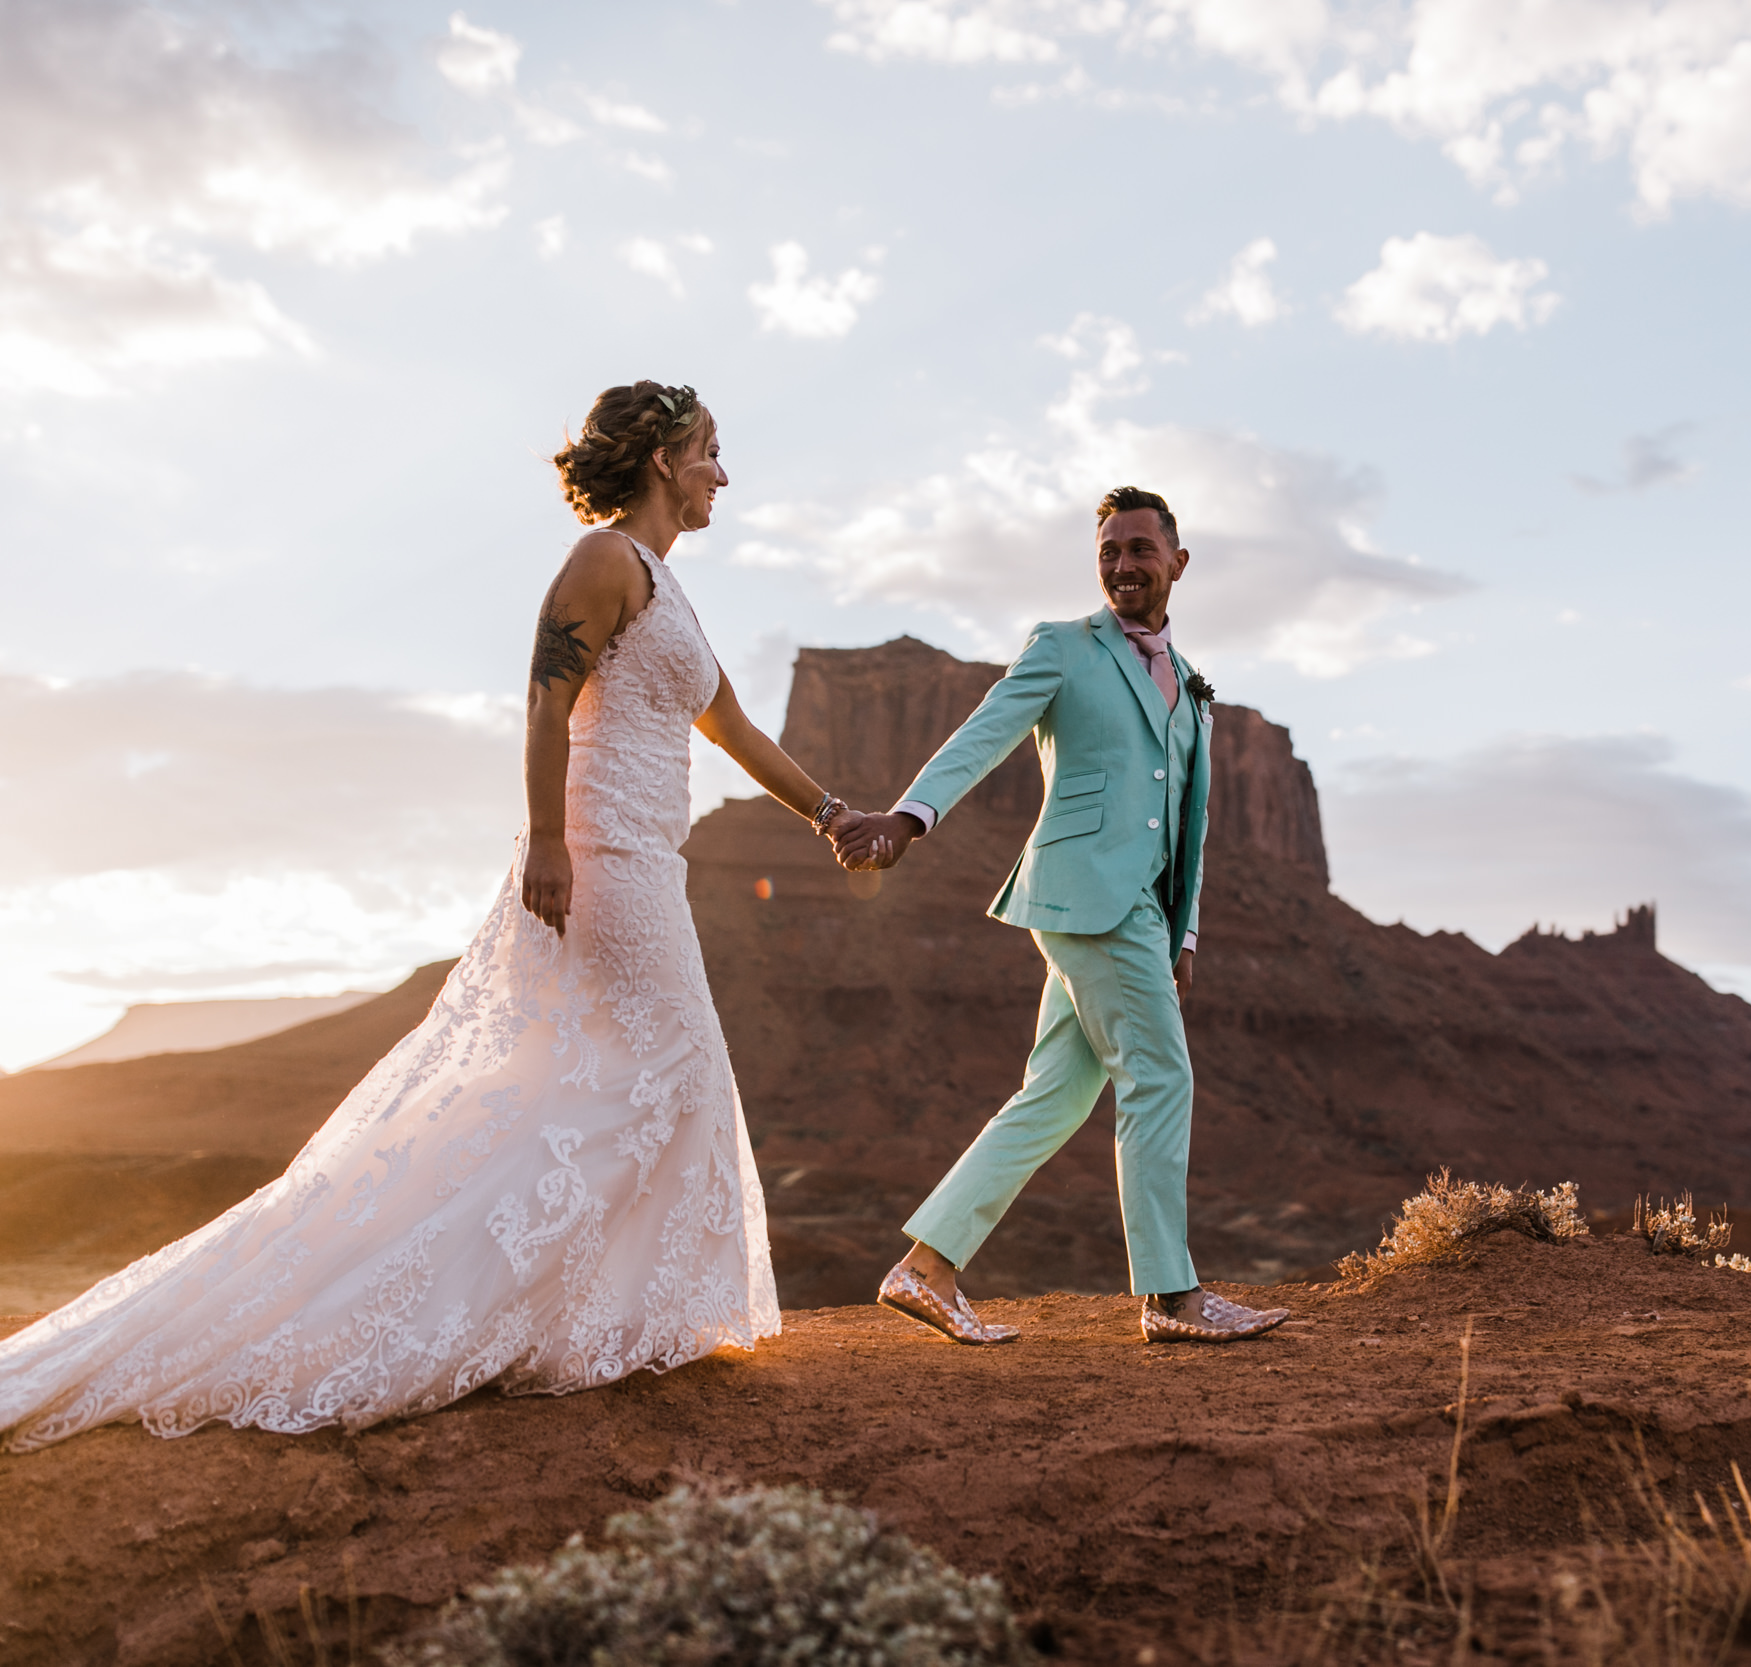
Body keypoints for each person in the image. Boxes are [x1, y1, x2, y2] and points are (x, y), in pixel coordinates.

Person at [0, 381, 852, 1451]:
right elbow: (547, 695)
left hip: (653, 862)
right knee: (662, 1072)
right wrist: (546, 837)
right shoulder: (603, 559)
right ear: (658, 460)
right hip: (602, 857)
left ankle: (600, 1313)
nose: (723, 473)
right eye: (710, 451)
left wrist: (830, 814)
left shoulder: (667, 587)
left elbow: (725, 721)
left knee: (634, 1080)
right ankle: (497, 1307)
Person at [834, 486, 1286, 1346]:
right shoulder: (1064, 648)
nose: (1122, 565)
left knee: (1055, 1094)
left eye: (1139, 550)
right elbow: (984, 732)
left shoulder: (1191, 688)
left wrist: (1184, 932)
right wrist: (908, 818)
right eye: (1109, 550)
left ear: (1177, 564)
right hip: (1085, 896)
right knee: (1160, 1076)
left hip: (1141, 914)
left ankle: (926, 1267)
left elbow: (1190, 823)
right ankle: (1171, 1297)